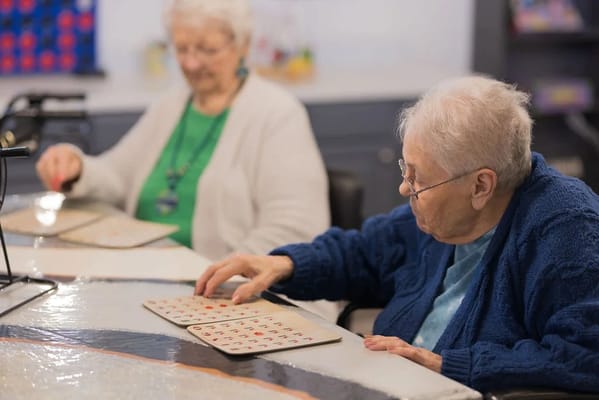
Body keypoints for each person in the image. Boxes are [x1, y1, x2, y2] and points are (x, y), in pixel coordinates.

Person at [195, 76, 599, 393]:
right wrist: (284, 263)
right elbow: (366, 252)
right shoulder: (440, 214)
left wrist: (448, 365)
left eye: (417, 178)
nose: (405, 189)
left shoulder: (566, 228)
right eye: (406, 170)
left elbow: (584, 354)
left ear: (480, 186)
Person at [35, 0, 329, 261]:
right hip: (154, 276)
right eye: (181, 47)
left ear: (243, 45)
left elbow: (293, 229)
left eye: (207, 49)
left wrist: (222, 276)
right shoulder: (173, 104)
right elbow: (118, 175)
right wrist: (76, 168)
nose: (190, 63)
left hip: (235, 294)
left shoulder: (278, 115)